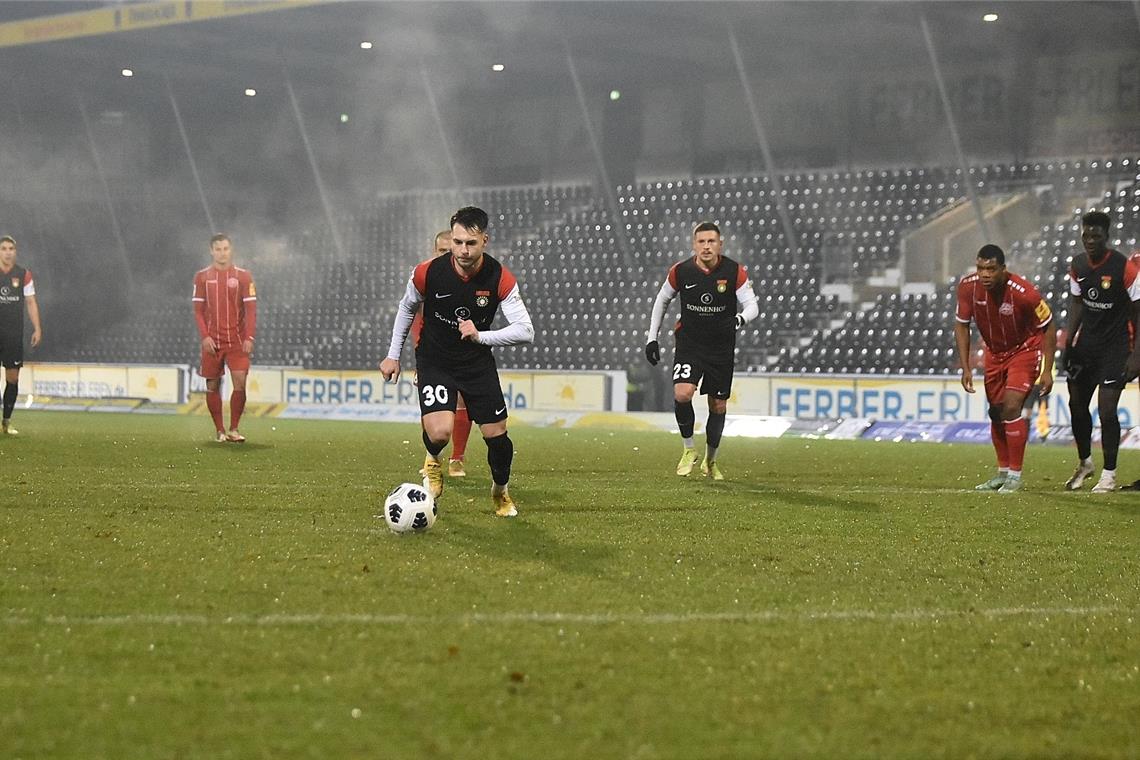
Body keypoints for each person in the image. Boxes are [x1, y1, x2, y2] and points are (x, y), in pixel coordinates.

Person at [380, 206, 534, 517]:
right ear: (451, 239)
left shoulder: (500, 277)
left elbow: (525, 330)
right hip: (435, 359)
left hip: (476, 363)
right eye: (458, 242)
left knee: (497, 437)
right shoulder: (427, 272)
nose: (463, 250)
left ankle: (500, 491)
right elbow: (406, 308)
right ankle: (433, 460)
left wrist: (481, 337)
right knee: (439, 433)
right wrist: (393, 354)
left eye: (471, 243)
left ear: (485, 241)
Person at [644, 221, 759, 480]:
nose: (706, 246)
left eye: (711, 241)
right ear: (694, 244)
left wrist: (740, 320)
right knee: (683, 393)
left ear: (720, 244)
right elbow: (661, 300)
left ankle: (711, 460)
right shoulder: (681, 271)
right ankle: (688, 449)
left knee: (717, 405)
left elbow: (752, 306)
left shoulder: (734, 271)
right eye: (701, 242)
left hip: (721, 347)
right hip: (690, 344)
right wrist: (652, 338)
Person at [954, 244, 1056, 493]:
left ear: (1003, 269)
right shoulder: (968, 287)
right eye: (980, 268)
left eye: (990, 269)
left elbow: (1049, 326)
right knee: (996, 412)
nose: (985, 274)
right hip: (994, 353)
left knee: (1011, 406)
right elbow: (961, 325)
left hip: (1024, 351)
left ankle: (1015, 476)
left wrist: (1047, 370)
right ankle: (1002, 472)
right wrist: (966, 366)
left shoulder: (1025, 292)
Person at [1062, 211, 1140, 492]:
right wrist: (1068, 344)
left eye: (1096, 236)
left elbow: (1139, 311)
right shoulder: (1078, 265)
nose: (1090, 240)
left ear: (1107, 237)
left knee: (1107, 411)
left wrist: (1136, 355)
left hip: (1116, 348)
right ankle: (1085, 462)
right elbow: (1077, 305)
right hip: (1086, 349)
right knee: (1076, 405)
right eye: (1086, 235)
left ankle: (1109, 473)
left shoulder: (1124, 267)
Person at [412, 230, 473, 477]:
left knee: (462, 400)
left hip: (463, 348)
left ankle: (457, 458)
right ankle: (432, 457)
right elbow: (415, 316)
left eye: (452, 250)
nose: (449, 254)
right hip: (432, 351)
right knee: (433, 404)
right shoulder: (426, 275)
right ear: (434, 250)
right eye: (442, 251)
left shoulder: (470, 275)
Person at [192, 233, 257, 443]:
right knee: (212, 385)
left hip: (237, 341)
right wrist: (204, 336)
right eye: (218, 249)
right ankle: (219, 431)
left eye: (225, 249)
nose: (222, 253)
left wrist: (249, 336)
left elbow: (251, 310)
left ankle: (234, 429)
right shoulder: (202, 277)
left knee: (240, 382)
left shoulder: (243, 276)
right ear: (212, 251)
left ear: (231, 250)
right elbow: (198, 311)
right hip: (212, 342)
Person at [0, 236, 43, 435]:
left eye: (11, 248)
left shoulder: (23, 274)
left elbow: (31, 301)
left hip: (13, 334)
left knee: (13, 378)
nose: (7, 252)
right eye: (3, 248)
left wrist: (37, 327)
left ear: (15, 252)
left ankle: (6, 423)